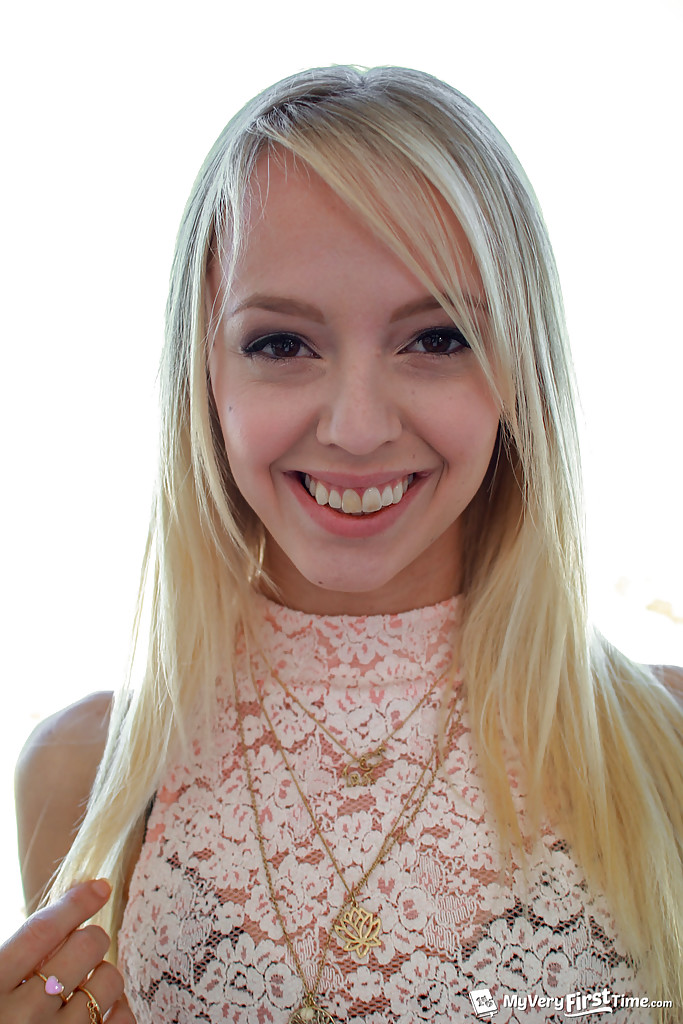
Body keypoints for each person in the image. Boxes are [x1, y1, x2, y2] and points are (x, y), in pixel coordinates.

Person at [7, 65, 682, 1024]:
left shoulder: (664, 749)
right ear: (204, 374)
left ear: (519, 369)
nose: (357, 430)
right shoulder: (82, 774)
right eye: (281, 344)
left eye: (436, 338)